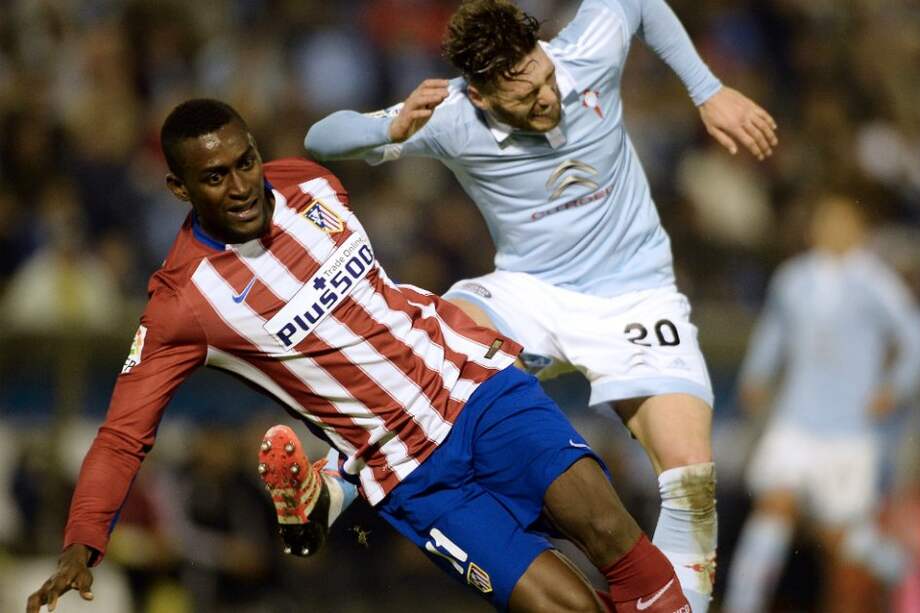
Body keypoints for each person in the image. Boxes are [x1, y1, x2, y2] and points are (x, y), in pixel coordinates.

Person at [26, 99, 691, 613]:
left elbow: (377, 300)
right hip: (413, 478)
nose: (240, 185)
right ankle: (332, 489)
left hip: (478, 389)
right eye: (215, 176)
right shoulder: (183, 303)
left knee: (615, 536)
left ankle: (327, 493)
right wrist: (84, 539)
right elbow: (121, 432)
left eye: (246, 161)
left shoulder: (312, 185)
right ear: (179, 188)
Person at [303, 0, 779, 609]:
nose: (548, 99)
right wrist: (386, 130)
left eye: (544, 78)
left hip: (634, 292)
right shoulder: (449, 116)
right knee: (433, 330)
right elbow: (321, 138)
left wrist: (709, 91)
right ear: (480, 97)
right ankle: (341, 482)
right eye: (525, 97)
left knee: (691, 479)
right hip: (529, 291)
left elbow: (639, 4)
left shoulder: (583, 53)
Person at [722, 194, 920, 613]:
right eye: (825, 220)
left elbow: (913, 337)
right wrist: (756, 375)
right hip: (795, 419)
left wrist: (896, 387)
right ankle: (743, 604)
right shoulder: (792, 279)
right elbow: (773, 333)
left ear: (858, 230)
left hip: (848, 430)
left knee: (840, 540)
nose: (831, 229)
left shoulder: (874, 282)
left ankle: (899, 569)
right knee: (774, 507)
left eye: (841, 221)